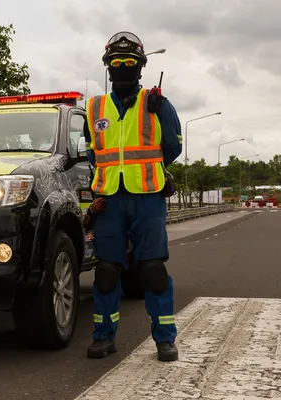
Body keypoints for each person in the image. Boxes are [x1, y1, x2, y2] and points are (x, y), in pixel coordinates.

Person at [83, 31, 183, 362]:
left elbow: (173, 147)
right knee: (108, 270)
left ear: (141, 67)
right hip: (110, 201)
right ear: (108, 68)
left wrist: (151, 168)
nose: (122, 67)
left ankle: (165, 339)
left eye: (129, 62)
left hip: (147, 198)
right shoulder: (94, 107)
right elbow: (93, 153)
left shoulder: (158, 103)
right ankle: (103, 336)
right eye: (116, 63)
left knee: (152, 269)